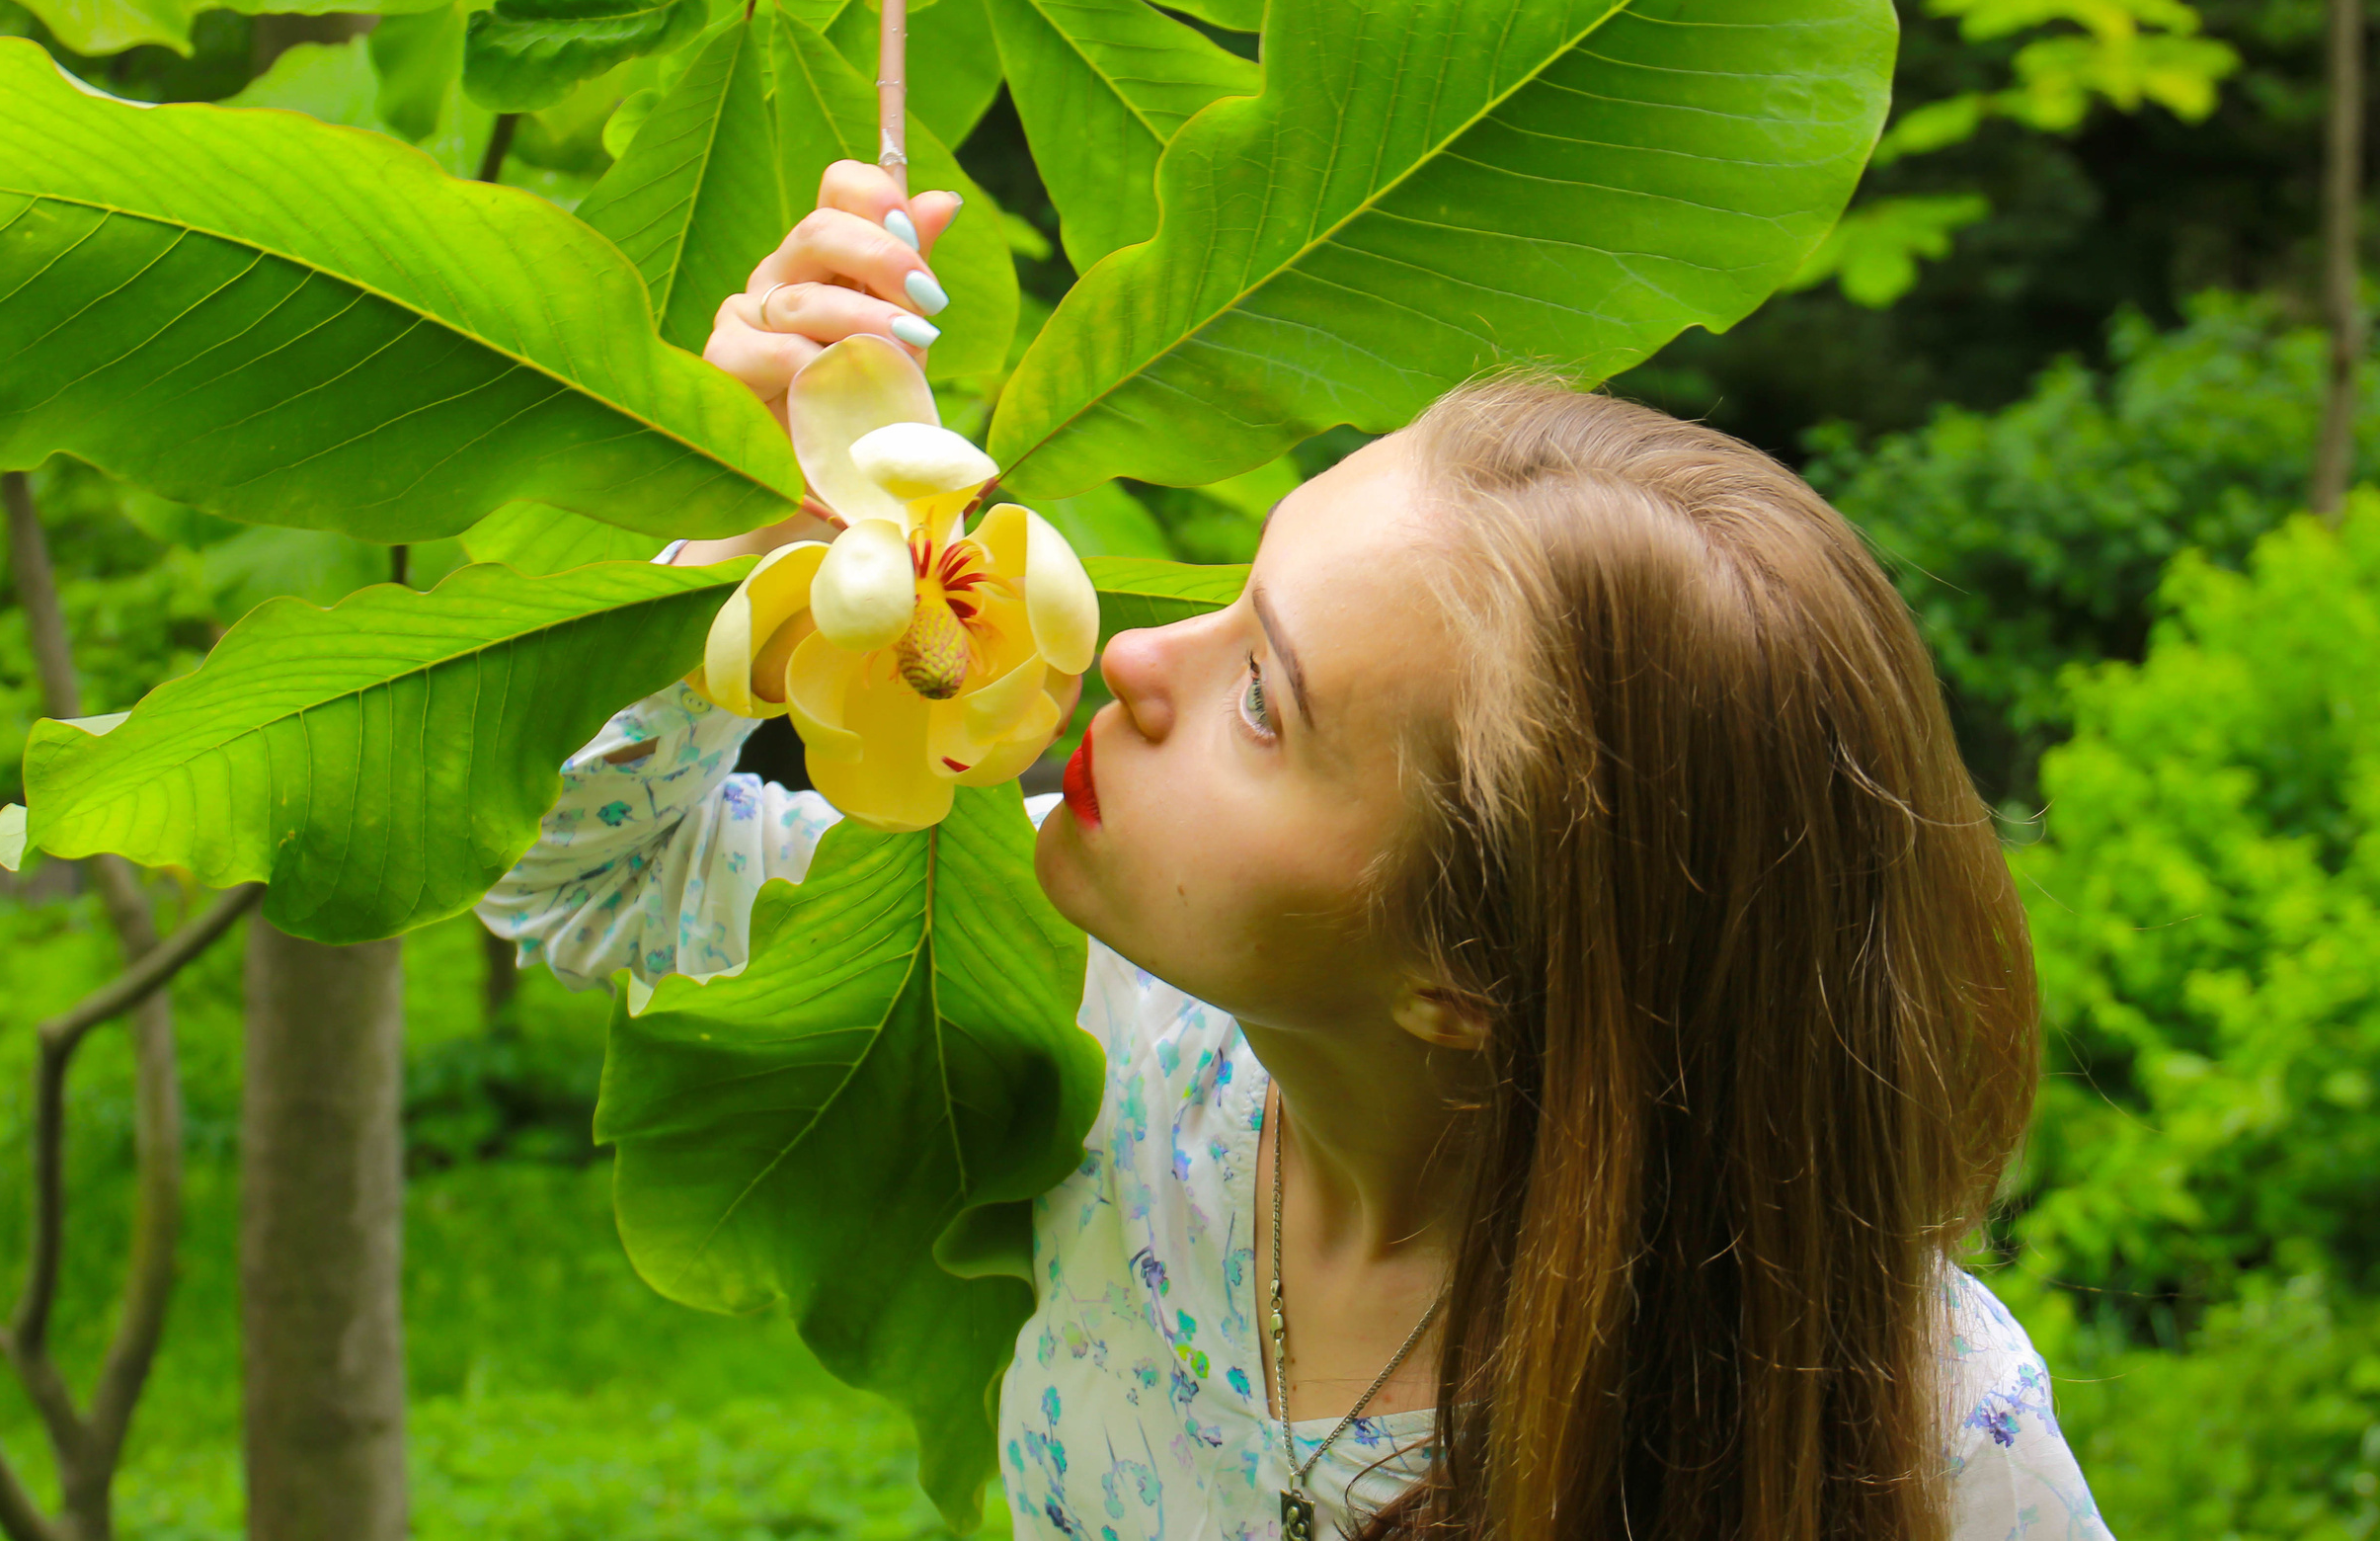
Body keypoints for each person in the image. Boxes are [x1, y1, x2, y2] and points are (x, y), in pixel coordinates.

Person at [483, 163, 2114, 1541]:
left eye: (1267, 696)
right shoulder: (1096, 1003)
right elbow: (576, 874)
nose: (1133, 656)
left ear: (1466, 977)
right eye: (1235, 597)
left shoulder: (1930, 1442)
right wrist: (749, 542)